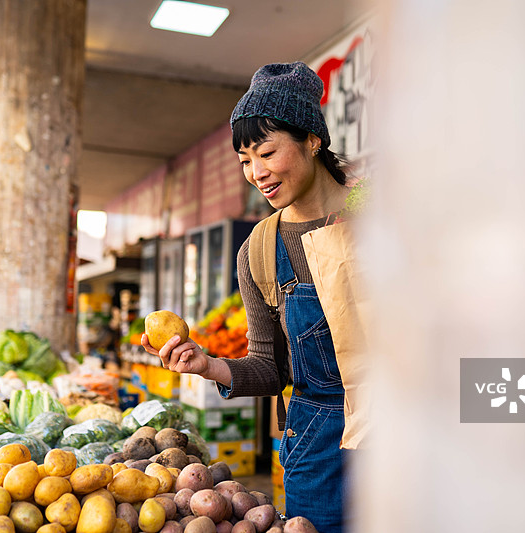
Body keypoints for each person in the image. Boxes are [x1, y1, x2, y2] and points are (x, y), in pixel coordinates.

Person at [142, 61, 352, 533]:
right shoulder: (260, 250)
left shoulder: (379, 215)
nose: (256, 173)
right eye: (244, 160)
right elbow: (270, 368)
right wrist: (206, 364)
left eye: (267, 152)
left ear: (312, 140)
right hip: (318, 454)